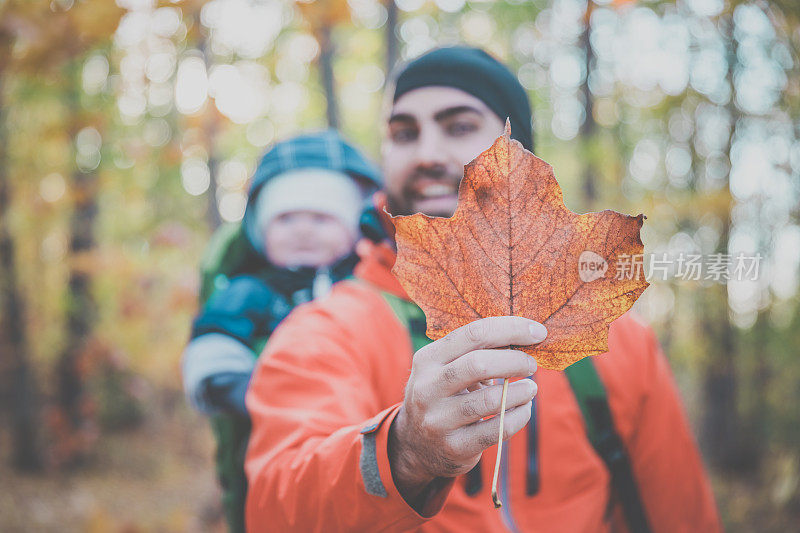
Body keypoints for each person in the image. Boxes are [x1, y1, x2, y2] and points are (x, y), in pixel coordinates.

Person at [243, 47, 721, 532]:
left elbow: (680, 516)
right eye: (404, 133)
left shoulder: (616, 339)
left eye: (459, 126)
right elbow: (274, 509)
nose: (428, 154)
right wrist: (403, 451)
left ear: (519, 150)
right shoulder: (327, 330)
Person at [181, 130, 381, 533]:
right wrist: (248, 391)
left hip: (357, 438)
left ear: (353, 229)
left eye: (322, 218)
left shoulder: (368, 291)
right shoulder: (251, 291)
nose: (303, 230)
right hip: (269, 446)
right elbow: (211, 347)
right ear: (261, 230)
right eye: (286, 218)